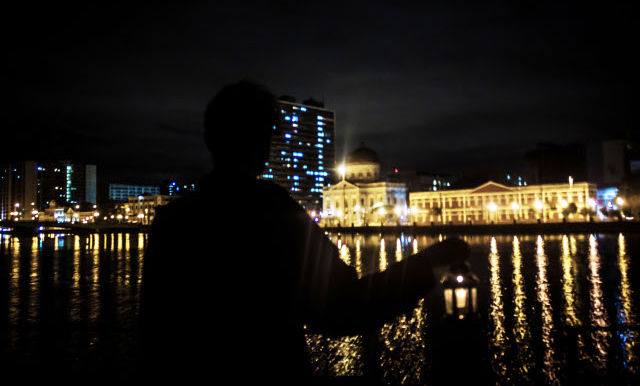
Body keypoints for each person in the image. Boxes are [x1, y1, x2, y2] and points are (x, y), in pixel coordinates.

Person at [140, 81, 469, 384]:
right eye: (267, 135)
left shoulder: (172, 221)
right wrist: (429, 263)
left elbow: (155, 335)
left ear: (210, 139)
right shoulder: (273, 211)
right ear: (263, 142)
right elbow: (344, 308)